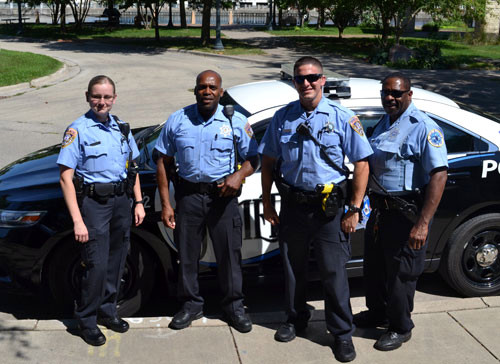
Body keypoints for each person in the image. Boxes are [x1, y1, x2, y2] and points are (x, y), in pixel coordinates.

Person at [259, 56, 372, 363]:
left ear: (323, 80)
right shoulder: (282, 118)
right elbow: (268, 161)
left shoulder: (342, 117)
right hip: (294, 205)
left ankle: (341, 333)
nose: (306, 83)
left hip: (329, 210)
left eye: (312, 77)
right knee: (293, 268)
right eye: (300, 78)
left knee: (333, 273)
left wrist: (354, 208)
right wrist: (268, 201)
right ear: (293, 82)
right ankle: (295, 319)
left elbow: (362, 164)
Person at [155, 70, 259, 333]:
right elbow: (163, 162)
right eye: (202, 87)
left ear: (221, 92)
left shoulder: (235, 120)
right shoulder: (178, 120)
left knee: (229, 255)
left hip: (223, 198)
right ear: (195, 91)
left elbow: (253, 158)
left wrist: (238, 176)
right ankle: (190, 305)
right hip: (188, 196)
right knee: (187, 256)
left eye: (213, 87)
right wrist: (167, 204)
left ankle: (234, 307)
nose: (207, 92)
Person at [353, 73, 448, 351]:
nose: (390, 98)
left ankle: (400, 326)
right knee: (375, 268)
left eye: (396, 93)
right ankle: (378, 312)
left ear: (409, 94)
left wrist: (423, 223)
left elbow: (438, 176)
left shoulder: (423, 127)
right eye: (386, 93)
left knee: (400, 274)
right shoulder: (384, 122)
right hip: (381, 211)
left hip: (406, 213)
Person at [57, 75, 146, 346]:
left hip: (121, 202)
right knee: (95, 265)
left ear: (114, 99)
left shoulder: (122, 127)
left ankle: (108, 312)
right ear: (87, 97)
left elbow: (133, 168)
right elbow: (65, 177)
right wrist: (77, 221)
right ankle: (86, 320)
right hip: (94, 206)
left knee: (117, 260)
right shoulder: (77, 130)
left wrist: (139, 202)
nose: (102, 102)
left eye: (107, 97)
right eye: (97, 96)